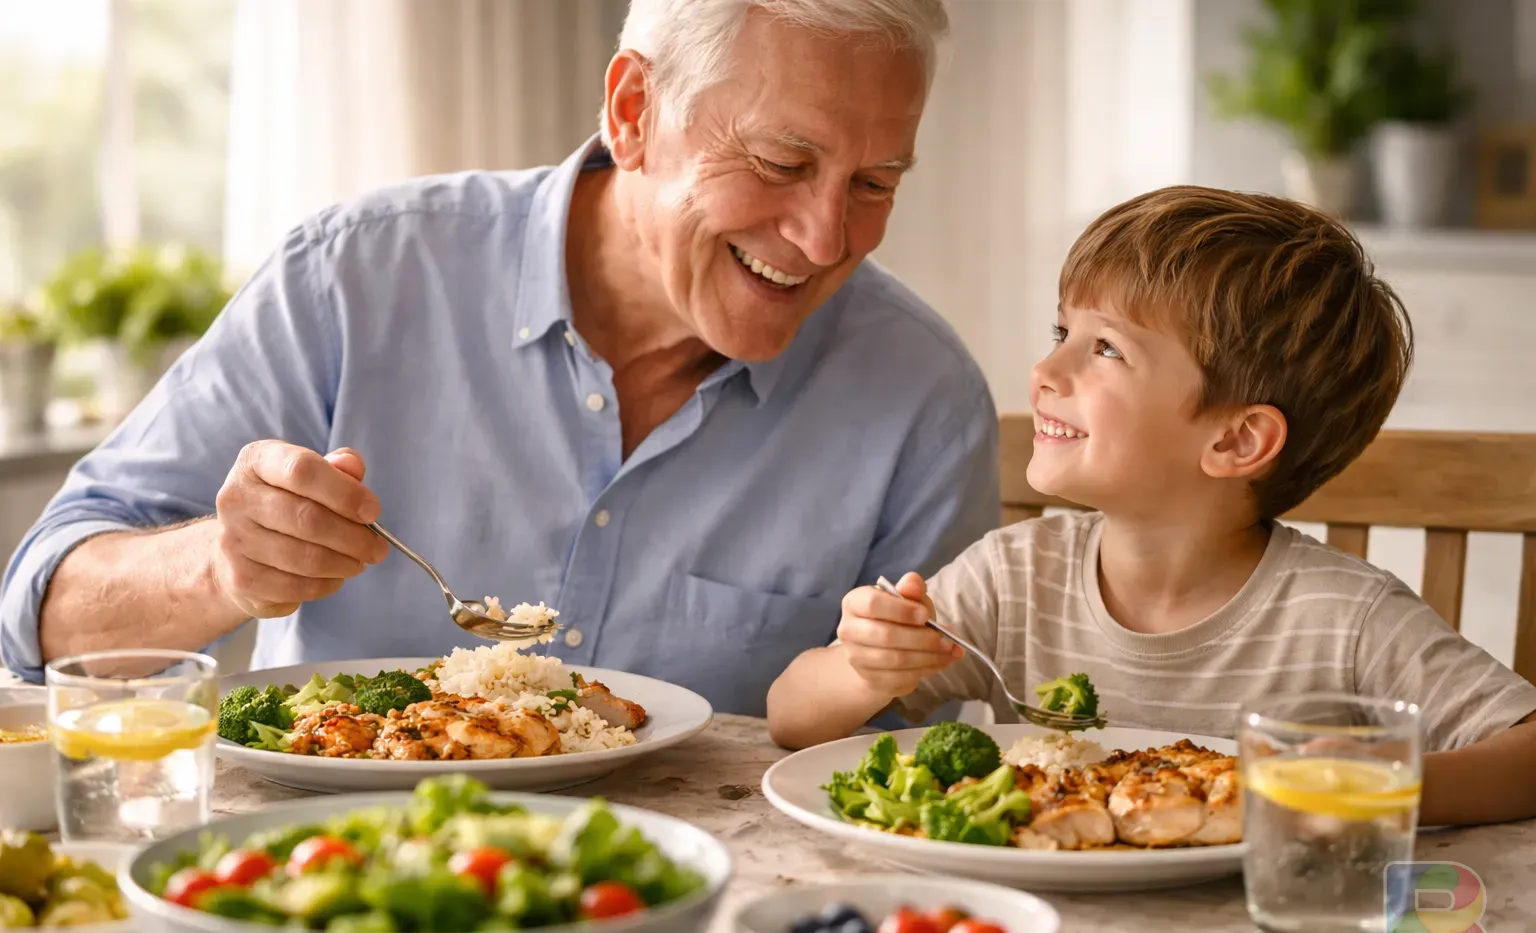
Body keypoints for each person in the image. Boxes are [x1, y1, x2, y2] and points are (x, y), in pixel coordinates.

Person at [0, 0, 998, 718]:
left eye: (874, 182)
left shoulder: (920, 400)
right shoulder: (357, 276)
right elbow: (42, 617)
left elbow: (929, 770)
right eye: (781, 163)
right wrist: (220, 567)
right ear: (635, 110)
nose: (827, 238)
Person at [766, 185, 1536, 826]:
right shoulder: (1013, 577)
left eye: (1105, 349)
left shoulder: (1345, 620)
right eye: (1063, 331)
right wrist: (863, 672)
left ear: (1236, 442)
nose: (1044, 368)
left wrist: (1368, 782)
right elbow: (792, 717)